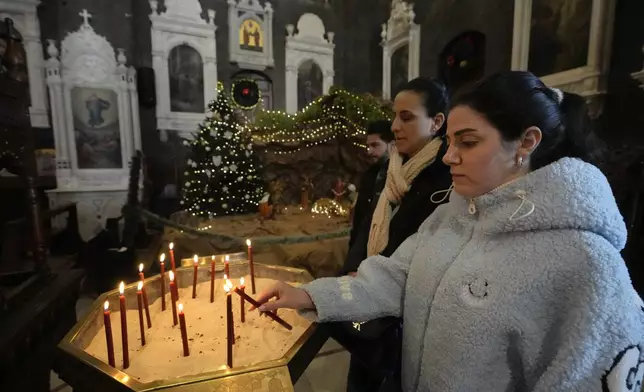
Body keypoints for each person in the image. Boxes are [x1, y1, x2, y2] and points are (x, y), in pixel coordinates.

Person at [252, 71, 644, 392]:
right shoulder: (450, 216)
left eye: (468, 142)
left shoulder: (586, 261)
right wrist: (305, 294)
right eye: (451, 141)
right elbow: (393, 277)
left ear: (526, 141)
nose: (449, 155)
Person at [337, 79, 453, 392]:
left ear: (437, 121)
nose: (395, 126)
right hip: (367, 294)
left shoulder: (449, 175)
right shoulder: (386, 171)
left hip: (407, 308)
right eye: (394, 116)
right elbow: (365, 224)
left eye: (407, 117)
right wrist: (354, 266)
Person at [348, 120, 393, 252]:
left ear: (392, 145)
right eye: (368, 146)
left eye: (375, 145)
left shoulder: (399, 178)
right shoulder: (370, 175)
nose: (369, 151)